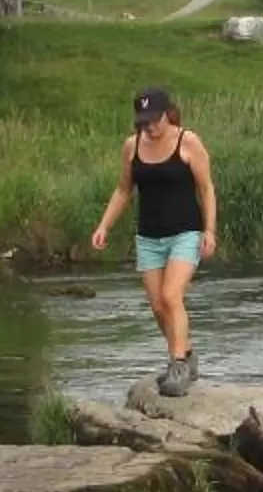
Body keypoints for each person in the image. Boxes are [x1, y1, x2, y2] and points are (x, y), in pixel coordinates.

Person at [90, 85, 216, 395]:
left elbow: (206, 189)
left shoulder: (188, 141)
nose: (150, 127)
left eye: (154, 120)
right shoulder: (131, 146)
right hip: (148, 237)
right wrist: (104, 226)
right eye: (143, 122)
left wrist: (209, 230)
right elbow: (123, 191)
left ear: (167, 114)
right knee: (159, 307)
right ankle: (186, 354)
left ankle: (177, 367)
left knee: (172, 296)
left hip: (185, 233)